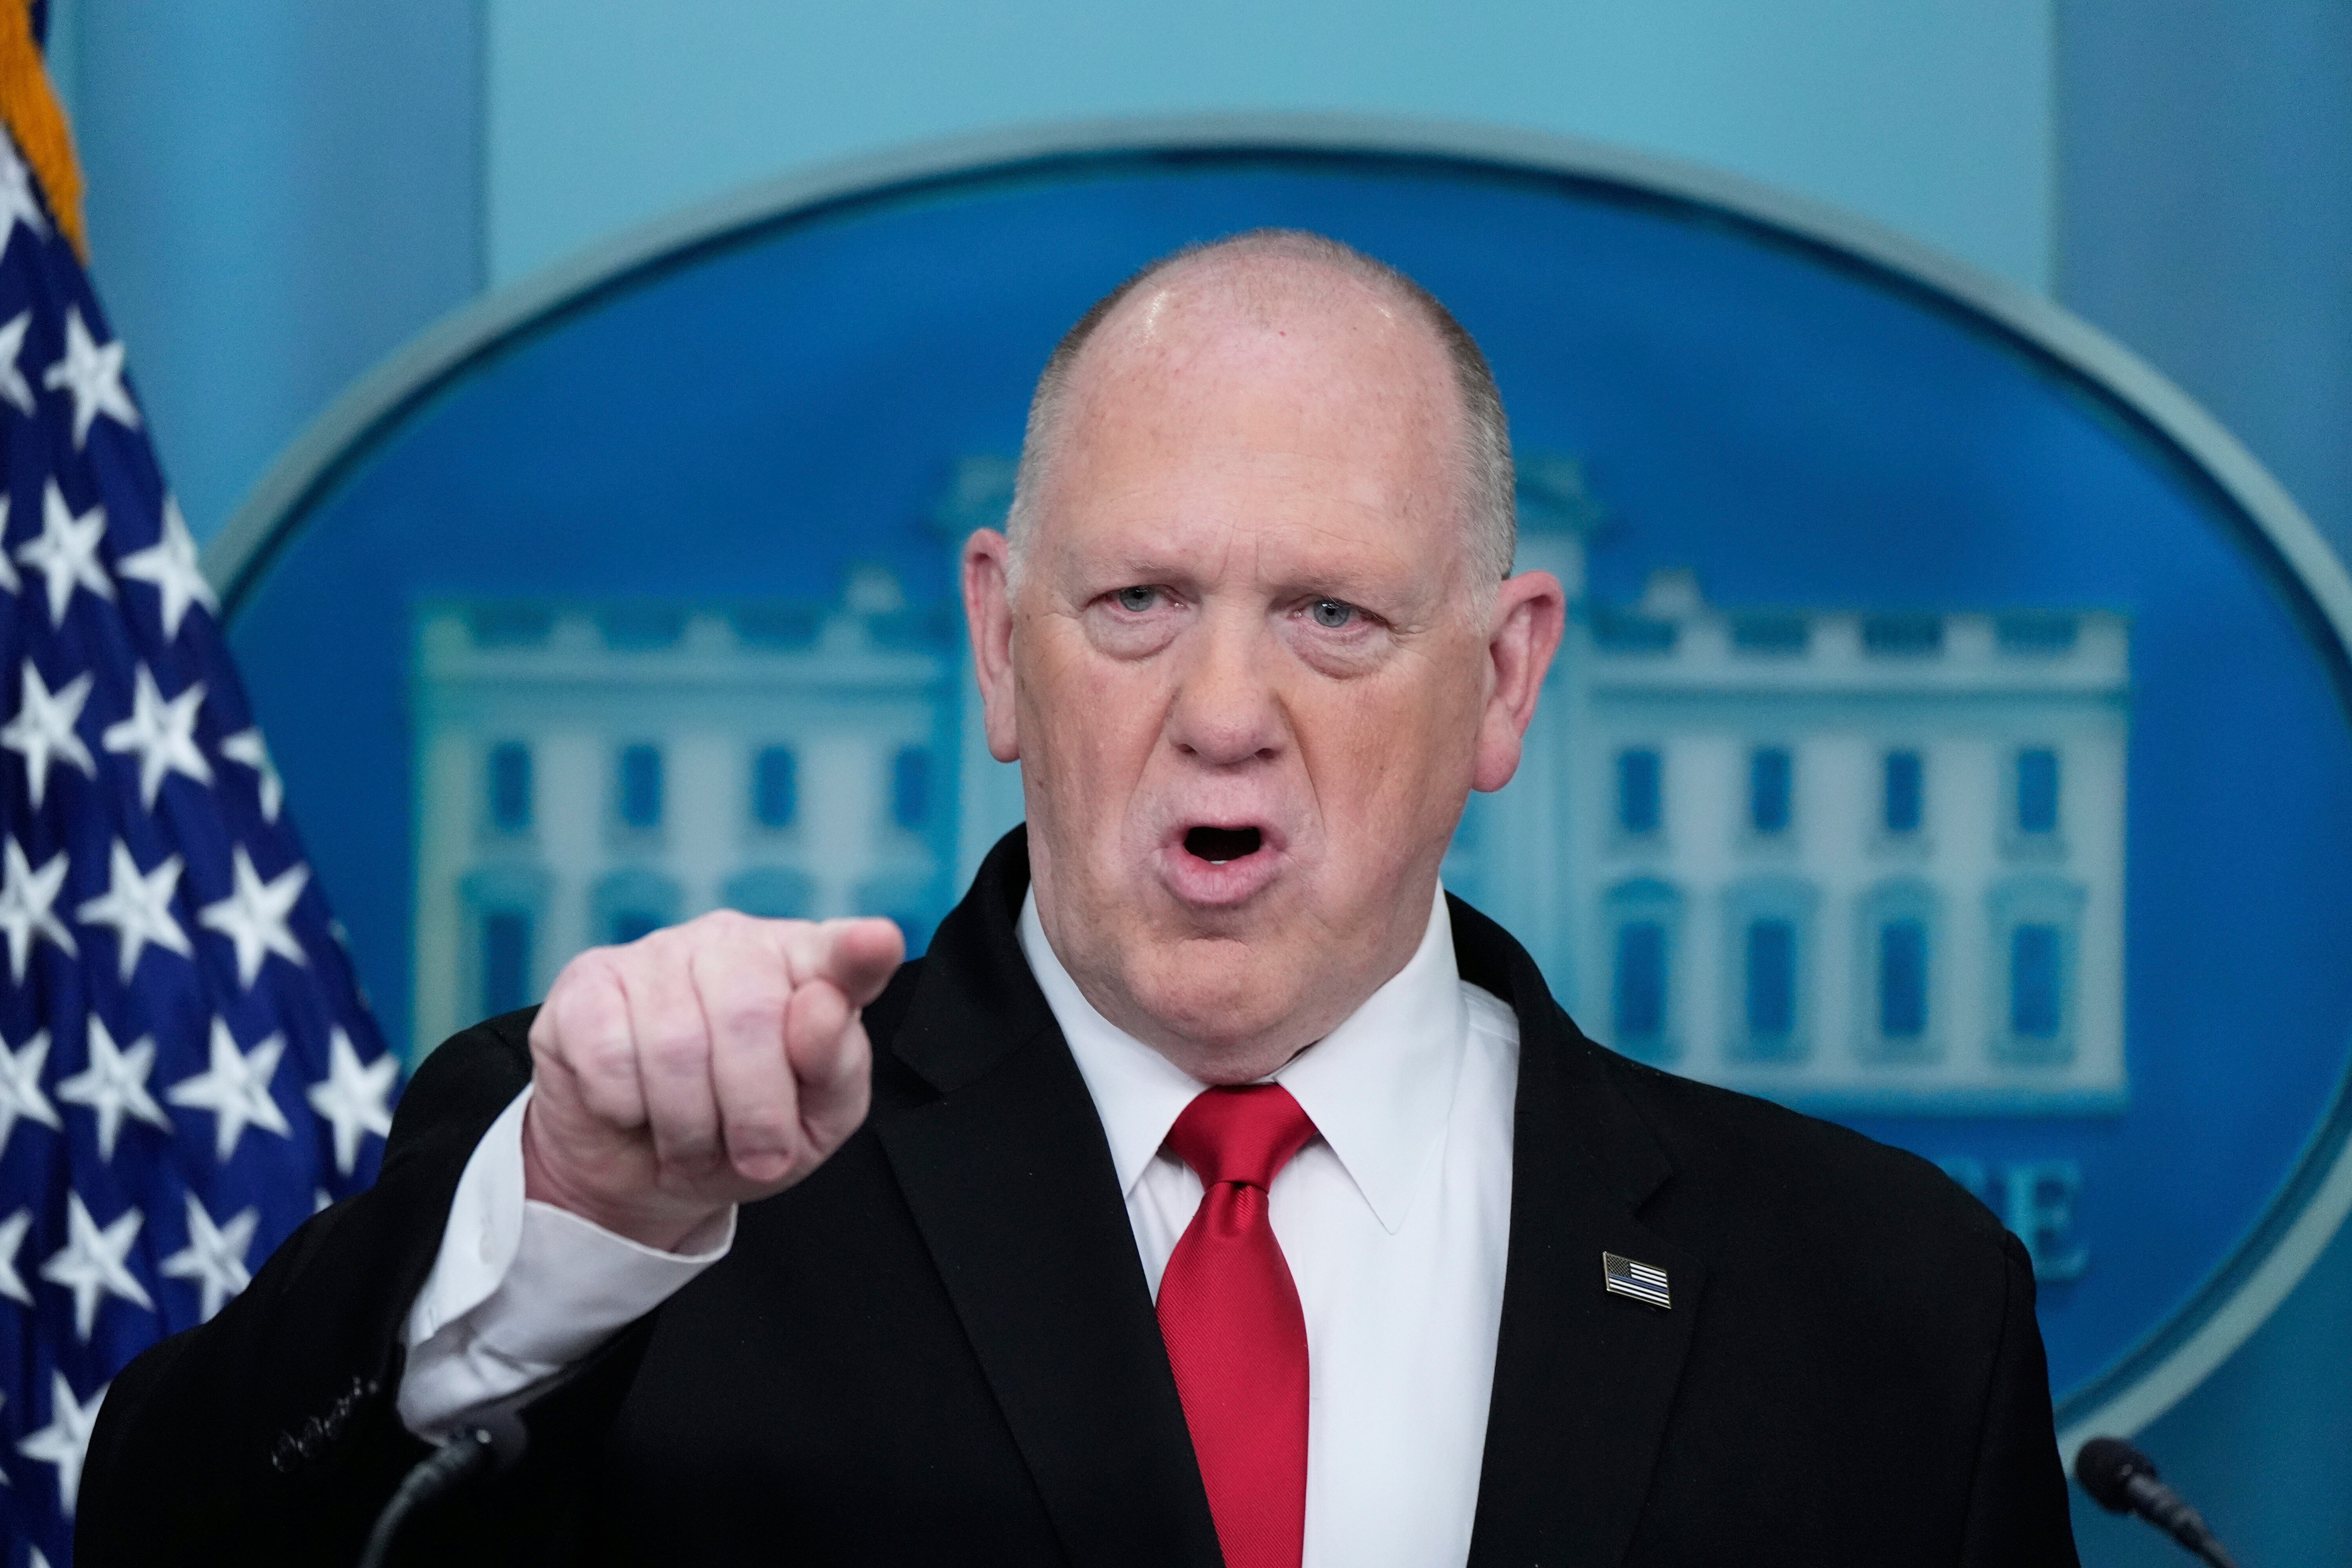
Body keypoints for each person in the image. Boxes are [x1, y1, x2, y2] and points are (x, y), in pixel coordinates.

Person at [82, 230, 2078, 1566]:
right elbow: (168, 1536)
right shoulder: (655, 1171)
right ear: (997, 644)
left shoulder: (1887, 1306)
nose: (1226, 711)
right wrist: (574, 1235)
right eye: (1138, 603)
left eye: (1332, 612)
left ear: (1504, 676)